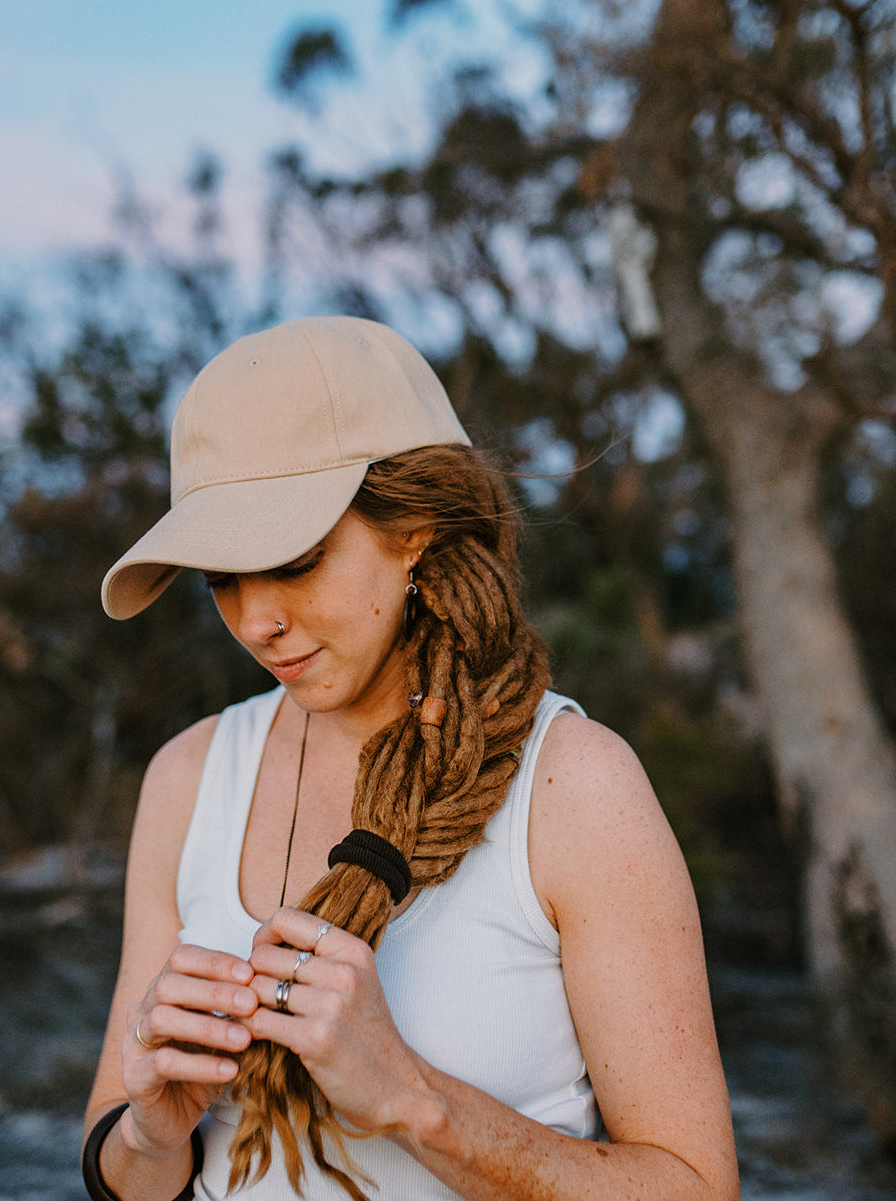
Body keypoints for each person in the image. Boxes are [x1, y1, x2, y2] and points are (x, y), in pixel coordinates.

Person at [83, 315, 739, 1201]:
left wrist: (412, 1099)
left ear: (417, 526)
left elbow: (696, 1188)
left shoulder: (574, 786)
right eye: (220, 578)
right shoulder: (188, 777)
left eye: (294, 558)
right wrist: (151, 1136)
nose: (253, 621)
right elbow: (117, 1162)